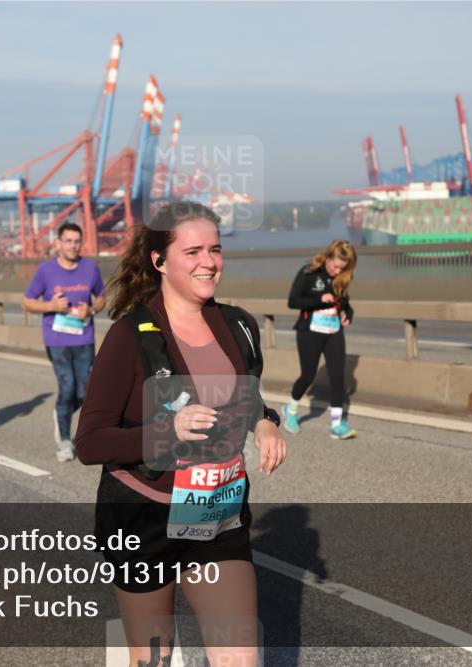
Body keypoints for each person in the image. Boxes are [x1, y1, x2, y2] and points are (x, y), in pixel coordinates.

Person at [75, 202, 286, 666]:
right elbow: (89, 442)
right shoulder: (130, 336)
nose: (208, 262)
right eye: (192, 251)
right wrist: (165, 431)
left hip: (216, 510)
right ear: (160, 261)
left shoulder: (239, 325)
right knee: (153, 659)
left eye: (215, 249)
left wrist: (267, 423)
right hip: (142, 514)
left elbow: (246, 399)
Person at [22, 222, 106, 462]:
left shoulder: (90, 268)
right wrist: (51, 306)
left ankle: (62, 413)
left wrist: (90, 310)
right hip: (56, 339)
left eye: (77, 241)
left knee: (85, 391)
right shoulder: (45, 271)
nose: (73, 245)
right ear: (58, 243)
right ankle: (65, 442)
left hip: (84, 337)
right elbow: (27, 302)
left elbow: (102, 297)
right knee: (67, 386)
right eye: (68, 241)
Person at [282, 239, 358, 439]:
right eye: (334, 266)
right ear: (328, 257)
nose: (336, 271)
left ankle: (336, 424)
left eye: (342, 268)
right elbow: (293, 301)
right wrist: (318, 300)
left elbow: (346, 305)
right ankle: (290, 410)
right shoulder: (309, 272)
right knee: (307, 375)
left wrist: (347, 315)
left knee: (338, 376)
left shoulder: (341, 279)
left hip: (334, 332)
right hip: (310, 332)